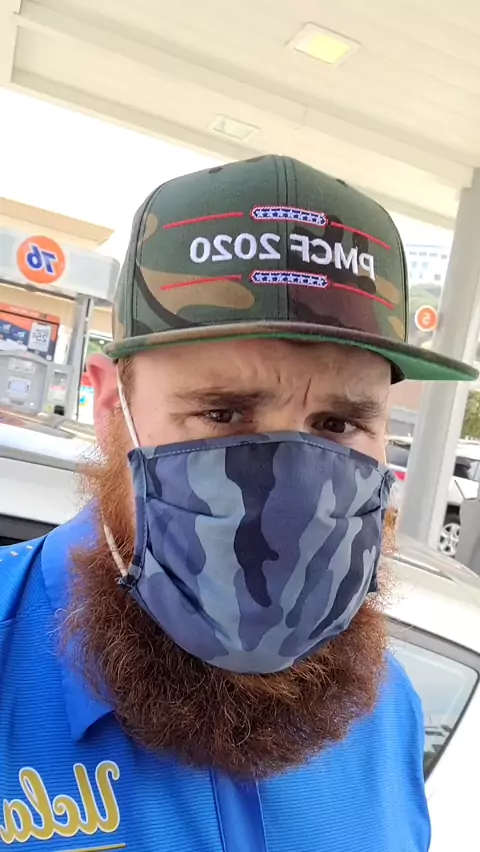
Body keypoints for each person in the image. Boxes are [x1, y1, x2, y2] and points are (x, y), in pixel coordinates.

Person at [0, 156, 476, 852]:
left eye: (339, 424)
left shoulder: (386, 711)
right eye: (223, 413)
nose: (287, 501)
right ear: (109, 408)